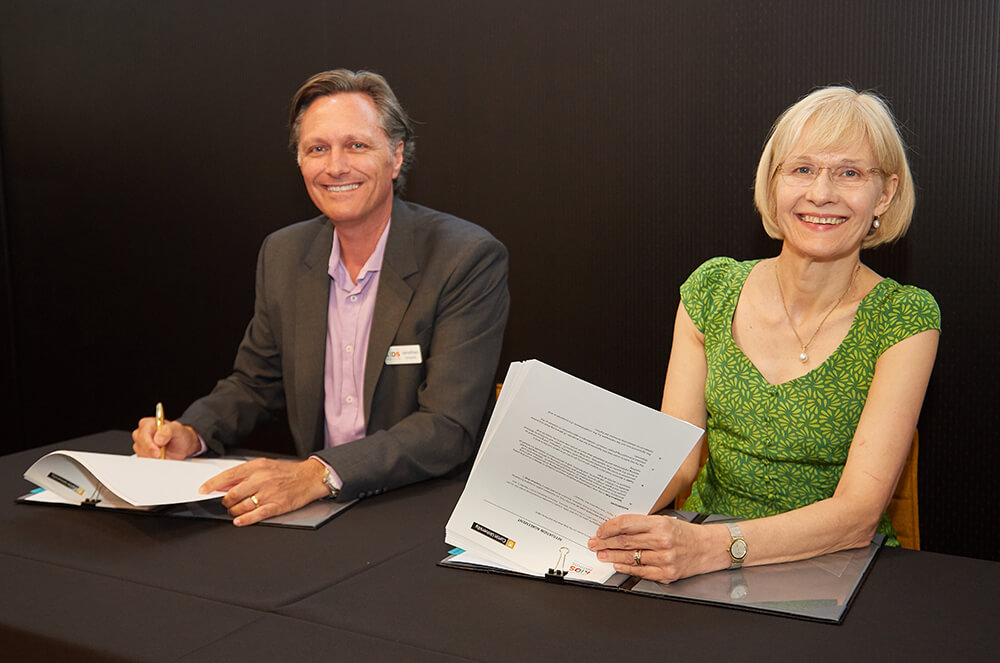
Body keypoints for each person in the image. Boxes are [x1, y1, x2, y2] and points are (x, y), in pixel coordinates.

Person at [589, 86, 940, 582]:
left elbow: (858, 515)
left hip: (831, 568)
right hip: (698, 548)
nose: (821, 193)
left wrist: (713, 547)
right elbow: (678, 463)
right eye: (802, 169)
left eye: (850, 173)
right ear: (772, 184)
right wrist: (581, 499)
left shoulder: (903, 318)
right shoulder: (711, 290)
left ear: (885, 194)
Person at [132, 69, 509, 526]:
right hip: (313, 513)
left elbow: (447, 427)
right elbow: (255, 383)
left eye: (356, 145)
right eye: (317, 149)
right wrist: (193, 431)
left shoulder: (464, 257)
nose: (335, 167)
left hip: (418, 511)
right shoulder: (284, 253)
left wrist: (319, 473)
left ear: (395, 157)